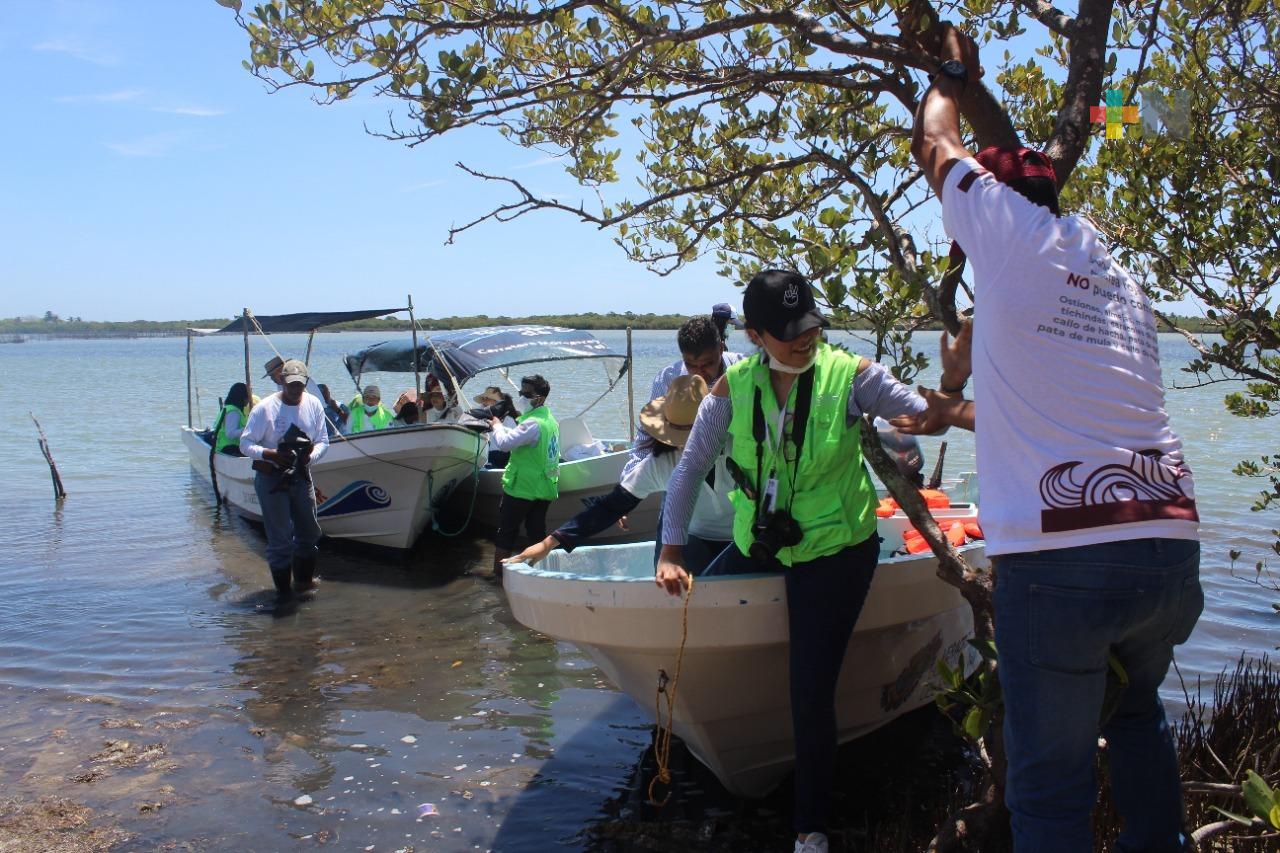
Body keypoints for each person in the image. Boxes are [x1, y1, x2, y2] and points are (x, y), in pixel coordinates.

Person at [903, 24, 1202, 853]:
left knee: (1050, 787)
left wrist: (949, 72)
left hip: (1066, 563)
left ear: (993, 206)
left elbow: (935, 141)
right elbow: (1047, 414)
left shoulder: (1004, 236)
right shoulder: (1108, 271)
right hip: (1169, 550)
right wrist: (948, 399)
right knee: (1138, 719)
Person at [656, 270, 949, 853]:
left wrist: (948, 405)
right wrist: (670, 549)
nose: (804, 340)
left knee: (808, 690)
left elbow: (919, 414)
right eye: (788, 333)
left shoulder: (852, 376)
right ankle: (690, 737)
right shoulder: (729, 389)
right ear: (756, 334)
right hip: (762, 541)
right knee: (681, 615)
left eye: (810, 326)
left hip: (836, 551)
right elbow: (688, 468)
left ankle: (809, 830)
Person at [505, 375, 734, 573]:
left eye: (690, 434)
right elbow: (610, 507)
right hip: (694, 537)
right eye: (677, 436)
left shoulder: (741, 447)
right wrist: (548, 543)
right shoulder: (662, 463)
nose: (684, 445)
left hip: (740, 537)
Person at [239, 359, 329, 602]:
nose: (295, 390)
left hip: (301, 475)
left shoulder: (313, 404)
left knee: (309, 533)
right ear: (281, 381)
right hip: (271, 478)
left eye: (300, 385)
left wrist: (310, 457)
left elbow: (323, 440)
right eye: (290, 385)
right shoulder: (264, 408)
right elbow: (245, 444)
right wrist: (271, 454)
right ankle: (283, 594)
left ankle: (304, 585)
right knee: (280, 539)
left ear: (306, 383)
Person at [621, 314, 744, 480]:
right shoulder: (668, 379)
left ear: (721, 348)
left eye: (707, 364)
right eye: (691, 365)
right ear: (682, 356)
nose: (699, 373)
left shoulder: (745, 372)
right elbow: (647, 439)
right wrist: (632, 480)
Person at [489, 374, 559, 580]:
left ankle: (497, 577)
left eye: (527, 394)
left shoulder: (533, 423)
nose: (522, 396)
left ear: (540, 398)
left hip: (522, 488)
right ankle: (541, 576)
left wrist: (496, 425)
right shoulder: (550, 421)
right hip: (544, 488)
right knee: (536, 532)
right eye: (521, 392)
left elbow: (504, 443)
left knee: (506, 532)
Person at [474, 386, 517, 468]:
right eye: (483, 399)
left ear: (496, 403)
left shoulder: (508, 420)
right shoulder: (480, 416)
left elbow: (513, 444)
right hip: (483, 455)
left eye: (487, 399)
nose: (484, 402)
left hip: (501, 456)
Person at [213, 382, 252, 456]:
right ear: (242, 397)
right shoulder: (233, 412)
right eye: (247, 397)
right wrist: (247, 429)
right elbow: (230, 433)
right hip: (228, 448)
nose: (248, 400)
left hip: (223, 446)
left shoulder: (228, 408)